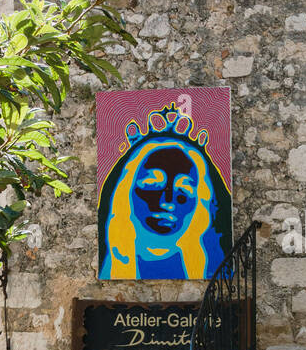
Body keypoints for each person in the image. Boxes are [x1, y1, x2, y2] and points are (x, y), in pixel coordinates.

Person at [98, 105, 231, 280]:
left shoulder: (212, 269)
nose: (167, 201)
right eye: (152, 184)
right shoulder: (110, 268)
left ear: (200, 202)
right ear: (125, 192)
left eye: (184, 189)